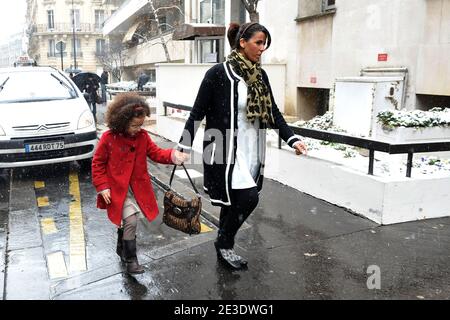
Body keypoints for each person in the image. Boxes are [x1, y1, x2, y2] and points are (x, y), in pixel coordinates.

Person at [177, 22, 308, 270]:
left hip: (251, 147)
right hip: (223, 146)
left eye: (265, 43)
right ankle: (224, 243)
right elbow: (197, 113)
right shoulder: (218, 74)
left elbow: (273, 112)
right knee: (248, 198)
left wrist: (292, 139)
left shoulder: (260, 75)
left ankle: (223, 243)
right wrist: (183, 145)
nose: (262, 48)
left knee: (234, 200)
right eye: (258, 42)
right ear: (242, 42)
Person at [92, 93, 189, 274]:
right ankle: (131, 260)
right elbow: (97, 163)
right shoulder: (108, 138)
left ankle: (122, 246)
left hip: (137, 189)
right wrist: (102, 186)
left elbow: (156, 153)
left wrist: (174, 156)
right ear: (122, 120)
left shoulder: (143, 137)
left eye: (140, 125)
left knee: (127, 221)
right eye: (134, 125)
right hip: (116, 190)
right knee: (131, 219)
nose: (138, 129)